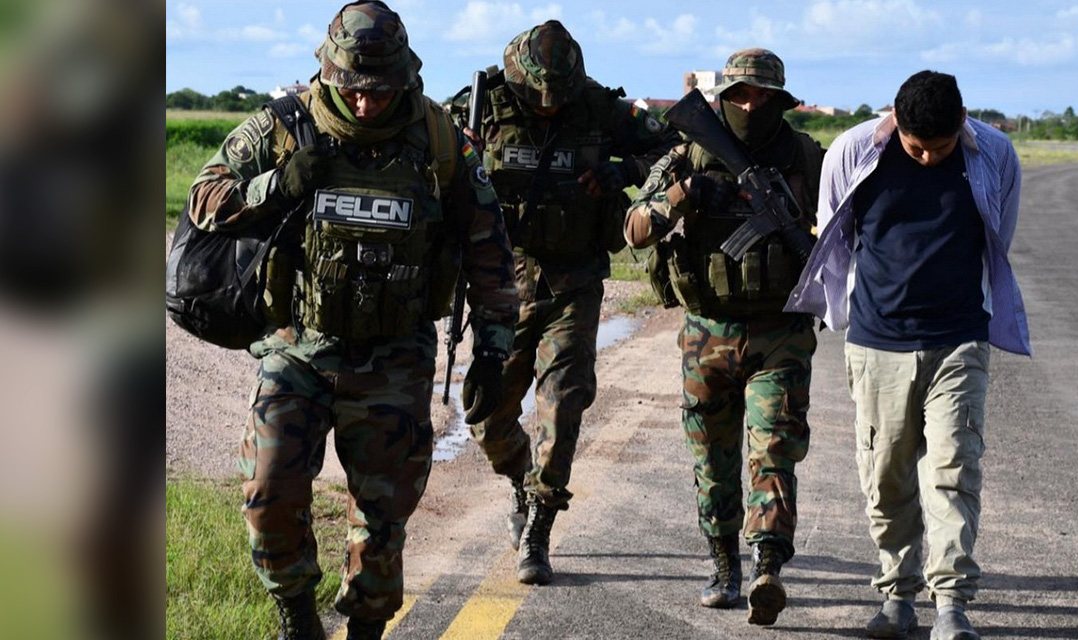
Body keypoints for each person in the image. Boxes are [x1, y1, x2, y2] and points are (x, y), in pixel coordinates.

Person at [184, 2, 518, 638]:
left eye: (381, 90)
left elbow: (489, 247)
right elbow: (205, 199)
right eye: (353, 90)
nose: (366, 104)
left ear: (405, 78)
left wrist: (496, 350)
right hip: (298, 347)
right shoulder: (282, 126)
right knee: (269, 491)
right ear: (329, 74)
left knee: (384, 515)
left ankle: (366, 624)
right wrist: (274, 186)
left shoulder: (441, 138)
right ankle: (297, 616)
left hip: (395, 356)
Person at [786, 70, 1029, 640]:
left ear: (963, 124)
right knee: (886, 476)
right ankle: (897, 594)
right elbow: (834, 236)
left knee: (953, 469)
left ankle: (952, 608)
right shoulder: (851, 150)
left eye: (939, 148)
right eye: (916, 146)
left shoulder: (994, 153)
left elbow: (1001, 232)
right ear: (894, 120)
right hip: (876, 340)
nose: (926, 158)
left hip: (959, 337)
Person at [447, 20, 678, 586]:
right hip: (503, 281)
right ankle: (522, 482)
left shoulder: (600, 108)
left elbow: (676, 148)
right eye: (536, 98)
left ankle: (540, 529)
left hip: (575, 281)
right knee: (484, 409)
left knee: (563, 402)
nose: (548, 108)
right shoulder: (477, 109)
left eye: (558, 98)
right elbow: (429, 170)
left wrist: (624, 172)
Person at [624, 48, 824, 626]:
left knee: (774, 451)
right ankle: (722, 563)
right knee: (712, 458)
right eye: (739, 95)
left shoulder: (806, 157)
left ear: (781, 102)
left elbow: (841, 229)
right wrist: (681, 196)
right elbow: (633, 230)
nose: (750, 105)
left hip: (781, 333)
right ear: (722, 99)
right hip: (707, 333)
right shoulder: (689, 151)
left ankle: (766, 565)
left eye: (762, 97)